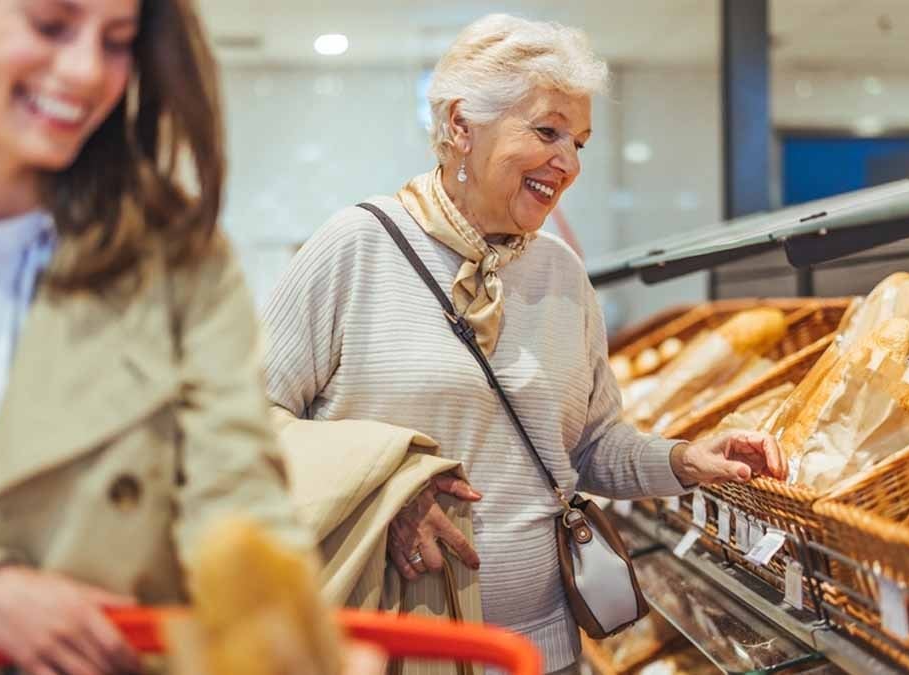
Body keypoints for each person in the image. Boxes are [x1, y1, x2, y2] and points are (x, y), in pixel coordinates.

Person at [259, 13, 785, 674]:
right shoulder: (355, 246)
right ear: (460, 126)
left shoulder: (563, 274)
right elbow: (245, 426)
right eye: (547, 131)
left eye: (581, 142)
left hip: (543, 653)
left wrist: (683, 459)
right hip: (387, 649)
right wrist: (387, 486)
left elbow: (590, 445)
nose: (567, 163)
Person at [0, 2, 306, 674]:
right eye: (50, 25)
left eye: (118, 41)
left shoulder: (182, 261)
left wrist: (285, 649)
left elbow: (238, 505)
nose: (86, 72)